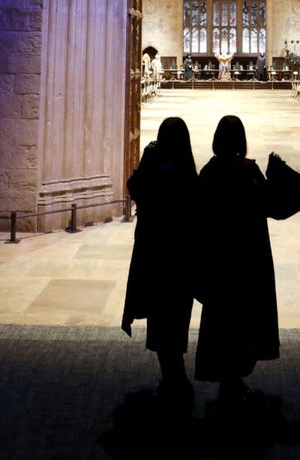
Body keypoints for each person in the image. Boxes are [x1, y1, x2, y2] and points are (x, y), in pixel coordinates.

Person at [195, 115, 281, 405]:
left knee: (221, 318)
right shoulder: (250, 171)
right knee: (245, 317)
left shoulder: (208, 172)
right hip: (247, 260)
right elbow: (271, 202)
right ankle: (234, 378)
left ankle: (226, 378)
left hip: (219, 260)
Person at [123, 117, 200, 405]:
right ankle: (174, 374)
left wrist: (149, 160)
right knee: (177, 314)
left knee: (160, 313)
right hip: (180, 258)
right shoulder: (187, 173)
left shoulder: (154, 165)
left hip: (154, 254)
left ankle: (172, 375)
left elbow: (135, 188)